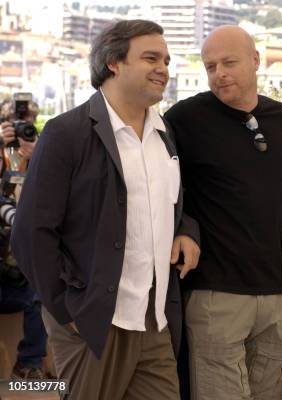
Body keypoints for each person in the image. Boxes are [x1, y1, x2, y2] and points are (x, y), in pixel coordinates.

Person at [11, 19, 200, 399]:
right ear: (114, 62)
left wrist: (187, 231)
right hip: (95, 323)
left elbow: (170, 204)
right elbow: (31, 234)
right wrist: (67, 312)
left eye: (166, 59)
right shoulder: (66, 133)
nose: (163, 68)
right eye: (151, 58)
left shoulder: (166, 135)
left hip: (155, 319)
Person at [163, 25, 282, 400]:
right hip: (215, 295)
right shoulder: (185, 118)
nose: (219, 73)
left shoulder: (278, 116)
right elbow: (158, 184)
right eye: (210, 66)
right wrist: (182, 227)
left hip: (275, 296)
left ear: (255, 61)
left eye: (229, 62)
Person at [0, 99, 51, 379]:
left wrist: (39, 154)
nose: (22, 132)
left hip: (23, 263)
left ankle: (30, 364)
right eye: (16, 125)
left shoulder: (40, 155)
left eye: (28, 126)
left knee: (41, 292)